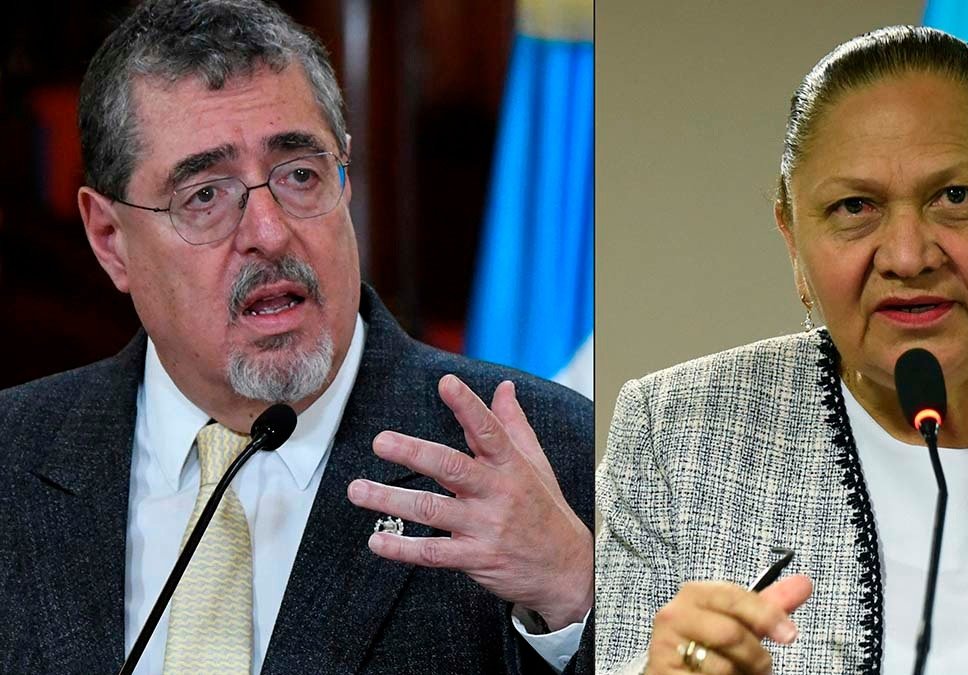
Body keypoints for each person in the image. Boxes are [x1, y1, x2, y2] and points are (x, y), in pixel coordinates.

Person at [0, 1, 594, 673]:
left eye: (300, 175)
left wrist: (577, 593)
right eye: (204, 195)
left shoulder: (559, 457)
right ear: (110, 240)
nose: (270, 232)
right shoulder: (13, 459)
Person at [596, 25, 968, 675]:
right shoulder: (676, 432)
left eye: (955, 197)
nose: (909, 256)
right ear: (794, 240)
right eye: (855, 206)